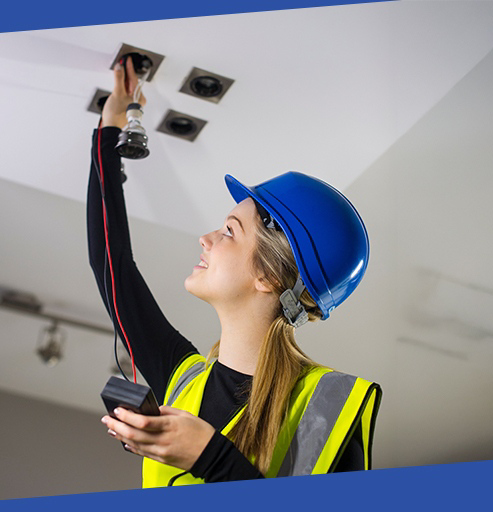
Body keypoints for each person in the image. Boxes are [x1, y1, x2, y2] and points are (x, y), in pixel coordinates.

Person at [89, 57, 382, 486]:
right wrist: (110, 127)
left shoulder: (329, 407)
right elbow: (110, 263)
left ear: (267, 277)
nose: (206, 238)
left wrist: (207, 457)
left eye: (229, 231)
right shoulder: (184, 379)